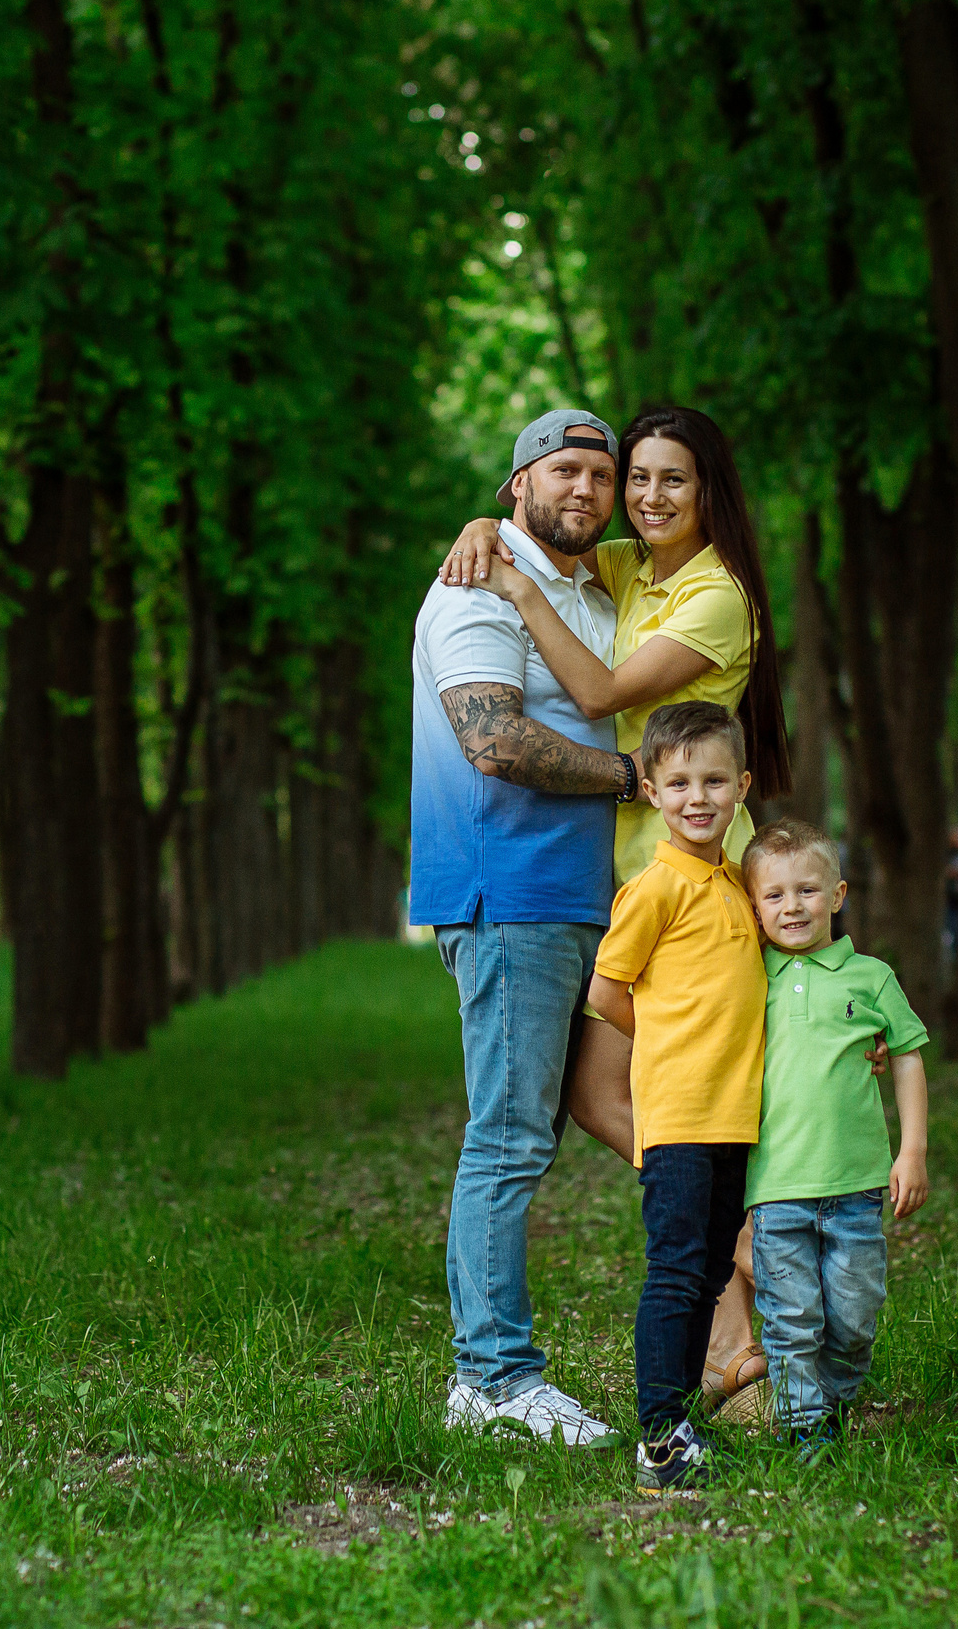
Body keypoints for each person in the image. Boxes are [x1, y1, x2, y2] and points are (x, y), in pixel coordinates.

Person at [438, 405, 793, 1413]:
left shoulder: (716, 595)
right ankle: (733, 1319)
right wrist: (487, 525)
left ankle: (750, 1253)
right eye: (636, 477)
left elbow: (597, 694)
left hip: (697, 880)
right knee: (608, 1100)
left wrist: (512, 581)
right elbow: (550, 533)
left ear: (709, 491)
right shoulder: (636, 566)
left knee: (662, 1101)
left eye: (671, 479)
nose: (645, 497)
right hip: (640, 881)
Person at [412, 407, 640, 1446]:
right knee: (507, 1137)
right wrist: (633, 776)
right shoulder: (473, 586)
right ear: (518, 487)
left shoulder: (591, 588)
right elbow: (494, 741)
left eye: (601, 474)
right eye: (563, 472)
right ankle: (492, 1381)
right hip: (508, 889)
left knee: (538, 1131)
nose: (584, 489)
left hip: (586, 895)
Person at [585, 702, 768, 1494]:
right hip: (681, 1114)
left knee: (710, 1272)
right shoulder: (655, 887)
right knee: (676, 1268)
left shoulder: (738, 884)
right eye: (681, 782)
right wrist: (667, 1043)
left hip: (735, 1114)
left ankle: (685, 1417)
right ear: (653, 792)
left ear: (742, 787)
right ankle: (659, 1435)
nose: (699, 797)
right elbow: (606, 991)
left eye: (715, 781)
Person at [740, 818, 930, 1454]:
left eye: (807, 890)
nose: (792, 906)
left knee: (853, 1317)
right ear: (754, 906)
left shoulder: (870, 977)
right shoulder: (748, 978)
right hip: (776, 1187)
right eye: (774, 894)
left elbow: (906, 1056)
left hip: (857, 1185)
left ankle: (836, 1403)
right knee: (791, 1318)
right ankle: (806, 1429)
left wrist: (912, 1151)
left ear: (839, 894)